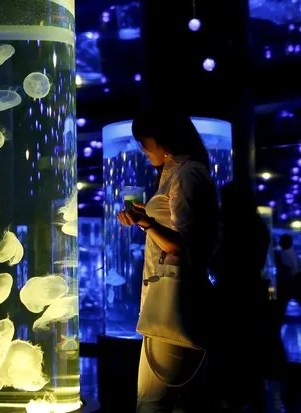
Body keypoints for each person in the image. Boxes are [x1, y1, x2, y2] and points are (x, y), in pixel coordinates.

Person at [117, 108, 219, 413]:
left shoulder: (187, 173)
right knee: (177, 401)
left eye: (144, 140)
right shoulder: (177, 171)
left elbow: (184, 247)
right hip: (170, 298)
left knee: (152, 401)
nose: (142, 148)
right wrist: (143, 220)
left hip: (174, 300)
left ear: (162, 138)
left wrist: (147, 223)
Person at [209, 181, 271, 411]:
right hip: (251, 298)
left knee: (231, 360)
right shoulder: (257, 227)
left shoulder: (238, 229)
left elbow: (220, 263)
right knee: (250, 364)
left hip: (233, 300)